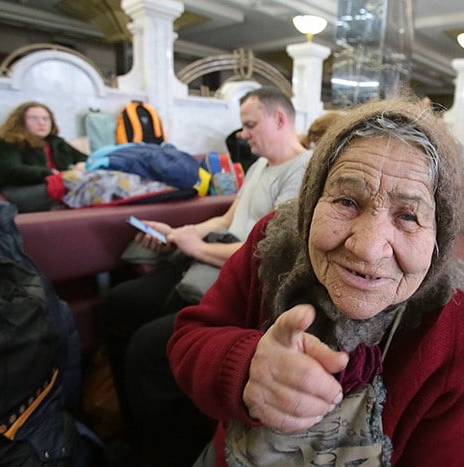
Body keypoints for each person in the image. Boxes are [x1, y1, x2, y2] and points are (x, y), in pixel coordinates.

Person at [168, 96, 464, 466]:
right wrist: (246, 368)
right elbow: (189, 339)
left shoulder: (460, 327)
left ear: (440, 235)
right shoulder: (270, 243)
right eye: (346, 202)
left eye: (408, 216)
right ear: (312, 201)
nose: (369, 249)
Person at [99, 86, 311, 466]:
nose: (243, 134)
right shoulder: (261, 165)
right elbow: (229, 220)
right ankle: (131, 430)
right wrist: (182, 233)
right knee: (117, 304)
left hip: (242, 280)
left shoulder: (302, 172)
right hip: (210, 263)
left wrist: (195, 248)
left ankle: (164, 452)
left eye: (250, 125)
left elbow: (267, 252)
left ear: (280, 119)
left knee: (147, 350)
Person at [0, 101, 88, 212]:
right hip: (21, 190)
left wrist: (82, 164)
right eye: (34, 118)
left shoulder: (56, 142)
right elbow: (10, 170)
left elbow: (84, 158)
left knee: (96, 182)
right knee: (83, 187)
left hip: (58, 184)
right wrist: (51, 174)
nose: (41, 123)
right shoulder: (8, 141)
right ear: (20, 122)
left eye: (46, 119)